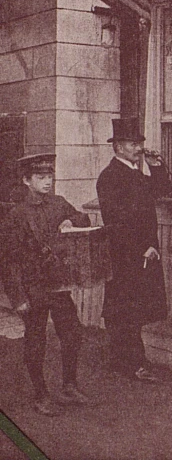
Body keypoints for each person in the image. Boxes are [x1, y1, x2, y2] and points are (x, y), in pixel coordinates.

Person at [3, 153, 91, 416]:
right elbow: (8, 260)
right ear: (26, 180)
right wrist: (18, 297)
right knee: (36, 341)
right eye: (40, 177)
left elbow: (83, 219)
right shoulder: (16, 214)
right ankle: (41, 393)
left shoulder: (59, 203)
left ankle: (69, 385)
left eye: (49, 176)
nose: (47, 181)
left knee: (72, 334)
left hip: (59, 285)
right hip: (33, 287)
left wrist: (70, 220)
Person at [96, 117, 170, 382]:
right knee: (125, 309)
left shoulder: (134, 172)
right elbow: (117, 222)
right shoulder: (110, 177)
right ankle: (133, 363)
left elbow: (162, 192)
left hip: (139, 253)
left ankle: (123, 360)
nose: (139, 148)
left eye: (140, 143)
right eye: (132, 143)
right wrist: (143, 248)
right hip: (126, 254)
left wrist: (157, 166)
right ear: (117, 147)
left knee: (129, 308)